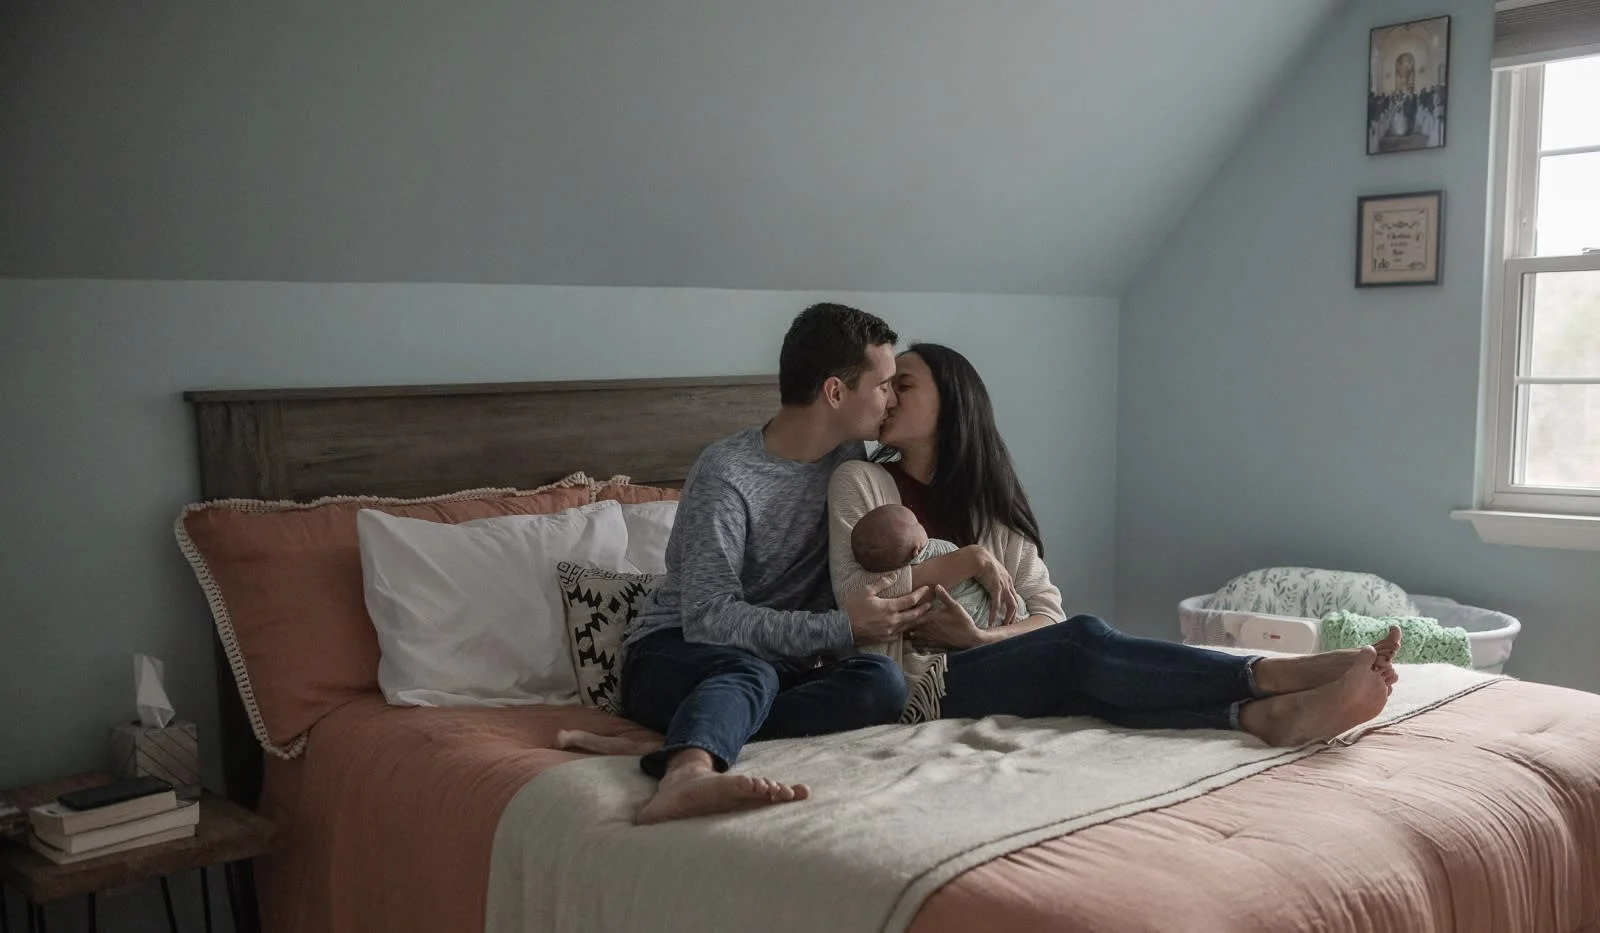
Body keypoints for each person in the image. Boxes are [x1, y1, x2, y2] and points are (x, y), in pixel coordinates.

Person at [828, 342, 1401, 746]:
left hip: (988, 662)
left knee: (1095, 688)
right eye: (883, 387)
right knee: (1083, 644)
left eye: (902, 384)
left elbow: (1046, 614)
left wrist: (982, 637)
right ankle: (1272, 674)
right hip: (919, 687)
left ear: (953, 403)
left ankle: (1260, 718)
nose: (886, 398)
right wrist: (971, 563)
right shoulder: (863, 483)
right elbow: (860, 595)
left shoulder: (990, 508)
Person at [612, 304, 936, 825]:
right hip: (676, 654)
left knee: (883, 682)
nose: (892, 399)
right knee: (748, 668)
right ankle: (686, 774)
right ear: (835, 392)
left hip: (781, 667)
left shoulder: (850, 462)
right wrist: (841, 626)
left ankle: (706, 730)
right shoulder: (727, 473)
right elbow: (710, 620)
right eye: (884, 386)